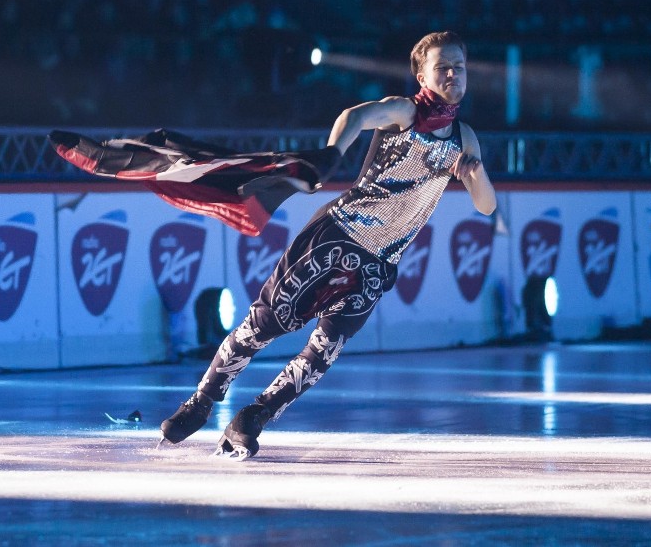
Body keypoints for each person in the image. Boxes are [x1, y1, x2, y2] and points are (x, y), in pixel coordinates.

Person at [159, 30, 497, 459]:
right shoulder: (405, 111)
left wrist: (474, 174)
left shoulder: (465, 138)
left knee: (323, 350)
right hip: (336, 237)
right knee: (266, 324)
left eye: (459, 66)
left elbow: (486, 206)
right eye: (442, 66)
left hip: (379, 263)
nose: (452, 73)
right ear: (422, 74)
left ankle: (253, 417)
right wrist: (332, 153)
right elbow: (354, 115)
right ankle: (202, 401)